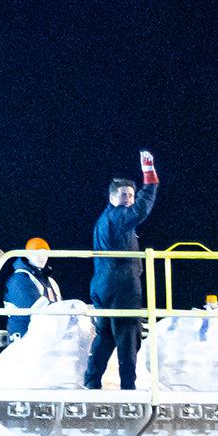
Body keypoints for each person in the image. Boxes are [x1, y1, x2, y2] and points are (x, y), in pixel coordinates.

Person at [83, 150, 159, 390]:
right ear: (112, 197)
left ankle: (91, 382)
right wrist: (150, 181)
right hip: (121, 287)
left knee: (106, 335)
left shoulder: (108, 218)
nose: (129, 199)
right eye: (124, 195)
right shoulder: (118, 216)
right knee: (128, 337)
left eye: (132, 195)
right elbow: (141, 211)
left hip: (105, 285)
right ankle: (128, 388)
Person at [4, 237, 61, 343]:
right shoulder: (19, 279)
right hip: (24, 336)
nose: (42, 257)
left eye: (45, 254)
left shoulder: (50, 281)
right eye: (37, 253)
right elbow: (37, 310)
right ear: (27, 255)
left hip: (46, 336)